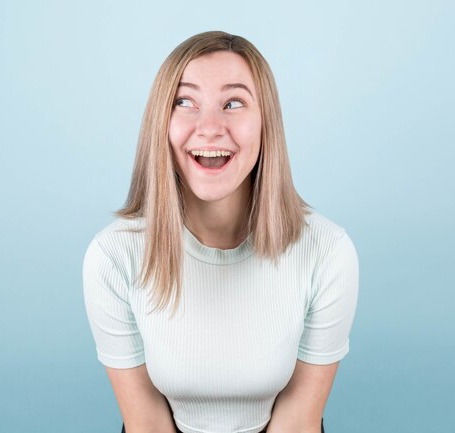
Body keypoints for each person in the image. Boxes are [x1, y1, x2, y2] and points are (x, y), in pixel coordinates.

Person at [83, 31, 359, 433]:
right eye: (184, 102)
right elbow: (147, 425)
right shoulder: (112, 256)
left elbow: (298, 422)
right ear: (160, 121)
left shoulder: (329, 251)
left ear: (267, 124)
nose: (209, 128)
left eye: (233, 103)